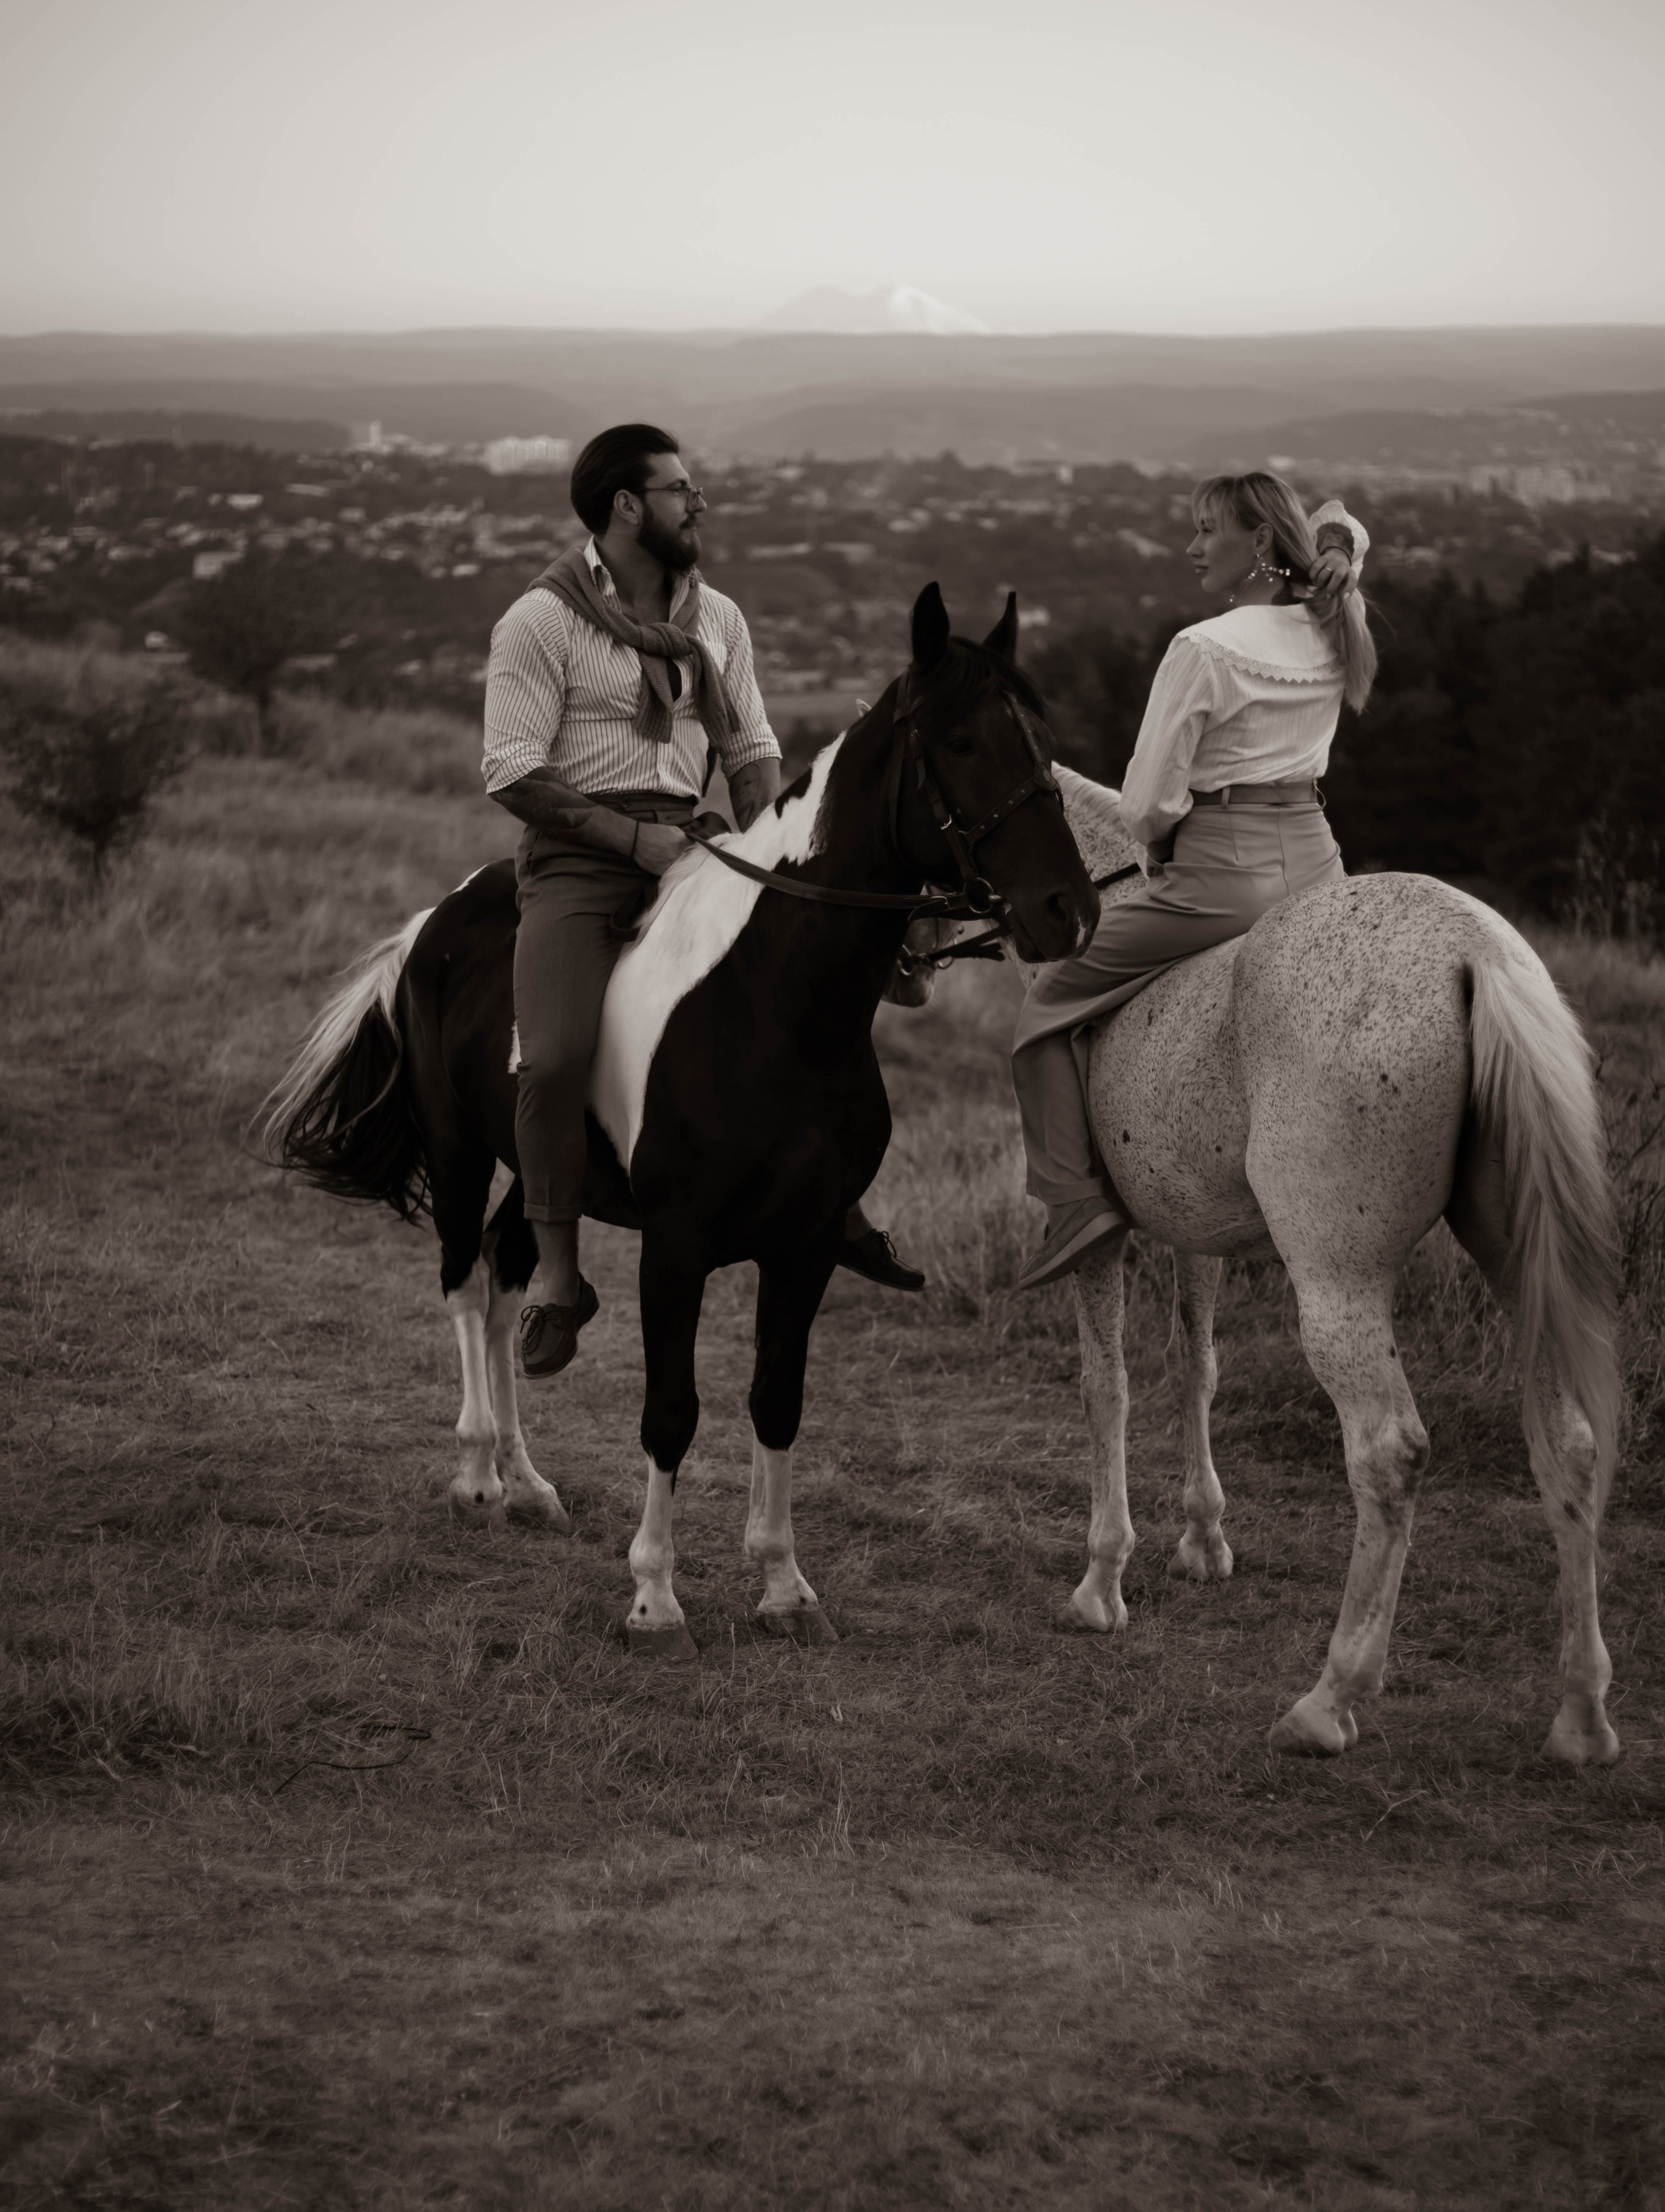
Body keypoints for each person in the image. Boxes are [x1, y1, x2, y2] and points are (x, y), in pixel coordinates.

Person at [485, 423, 923, 1379]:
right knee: (551, 1057)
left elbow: (751, 748)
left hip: (698, 844)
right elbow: (512, 770)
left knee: (802, 999)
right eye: (680, 490)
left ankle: (833, 1197)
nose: (699, 504)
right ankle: (557, 1273)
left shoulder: (717, 616)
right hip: (579, 860)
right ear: (625, 507)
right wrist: (629, 839)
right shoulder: (539, 621)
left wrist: (778, 859)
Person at [1011, 472, 1374, 1290]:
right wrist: (1338, 550)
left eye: (1206, 529)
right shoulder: (1330, 618)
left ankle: (1074, 1205)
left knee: (1047, 1004)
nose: (1191, 546)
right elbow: (1344, 522)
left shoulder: (1203, 648)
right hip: (1319, 867)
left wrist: (1160, 850)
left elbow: (1146, 806)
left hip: (1220, 878)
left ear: (1258, 542)